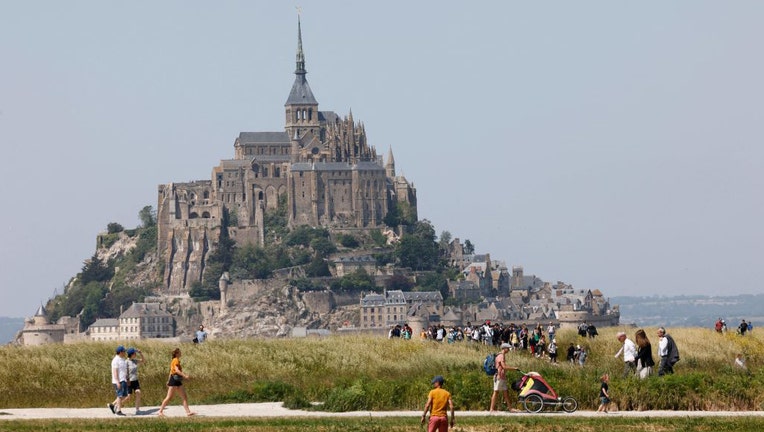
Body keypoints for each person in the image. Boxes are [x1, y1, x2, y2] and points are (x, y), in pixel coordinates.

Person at [158, 348, 196, 417]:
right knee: (169, 397)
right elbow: (177, 371)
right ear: (176, 354)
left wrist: (168, 380)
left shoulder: (175, 360)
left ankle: (188, 412)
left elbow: (170, 371)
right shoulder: (175, 360)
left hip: (177, 380)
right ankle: (160, 411)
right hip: (174, 380)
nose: (181, 353)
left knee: (184, 396)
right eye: (180, 352)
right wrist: (185, 376)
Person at [490, 343, 519, 412]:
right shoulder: (501, 356)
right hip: (499, 377)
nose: (509, 350)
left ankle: (510, 408)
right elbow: (504, 366)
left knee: (506, 392)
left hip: (502, 377)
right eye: (508, 348)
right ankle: (491, 409)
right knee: (496, 392)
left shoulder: (501, 355)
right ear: (504, 348)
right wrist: (514, 368)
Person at [123, 347, 145, 415]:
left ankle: (137, 410)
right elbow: (125, 372)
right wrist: (127, 380)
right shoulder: (126, 362)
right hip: (129, 381)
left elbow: (143, 361)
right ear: (132, 354)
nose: (136, 354)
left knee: (138, 392)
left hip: (135, 380)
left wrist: (140, 353)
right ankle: (117, 405)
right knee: (128, 397)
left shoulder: (134, 361)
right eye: (135, 353)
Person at [108, 345, 128, 416]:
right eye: (124, 351)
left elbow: (124, 370)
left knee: (125, 395)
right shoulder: (115, 360)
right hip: (119, 381)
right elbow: (115, 371)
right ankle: (119, 411)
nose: (125, 353)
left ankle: (112, 405)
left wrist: (127, 379)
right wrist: (117, 382)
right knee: (120, 395)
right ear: (120, 352)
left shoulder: (122, 359)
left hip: (124, 379)